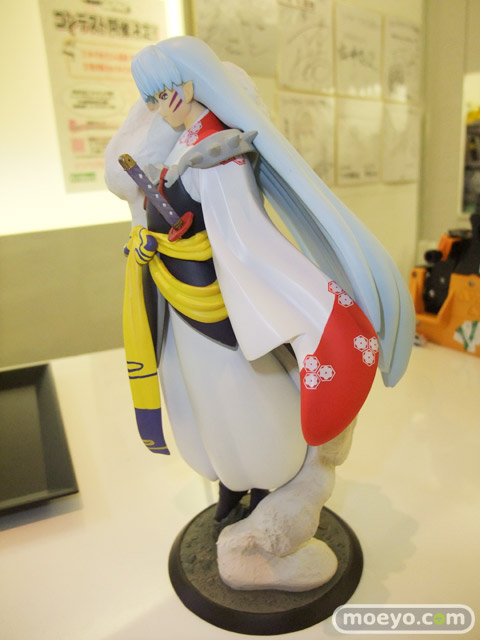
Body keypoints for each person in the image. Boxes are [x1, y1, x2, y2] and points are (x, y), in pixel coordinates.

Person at [105, 36, 415, 591]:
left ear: (190, 88)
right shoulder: (173, 141)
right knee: (200, 400)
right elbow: (129, 180)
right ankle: (231, 487)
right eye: (150, 98)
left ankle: (271, 487)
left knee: (248, 397)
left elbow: (243, 236)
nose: (158, 106)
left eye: (163, 93)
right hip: (178, 299)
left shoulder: (219, 148)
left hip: (220, 300)